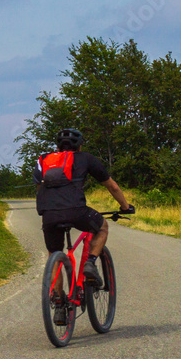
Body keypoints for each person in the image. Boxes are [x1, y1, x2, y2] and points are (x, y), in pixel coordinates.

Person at [33, 128, 133, 301]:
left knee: (54, 253)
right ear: (79, 146)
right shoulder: (86, 158)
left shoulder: (44, 160)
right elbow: (112, 186)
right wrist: (125, 207)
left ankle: (57, 300)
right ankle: (90, 262)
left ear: (57, 147)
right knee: (102, 227)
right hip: (77, 211)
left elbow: (39, 188)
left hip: (49, 215)